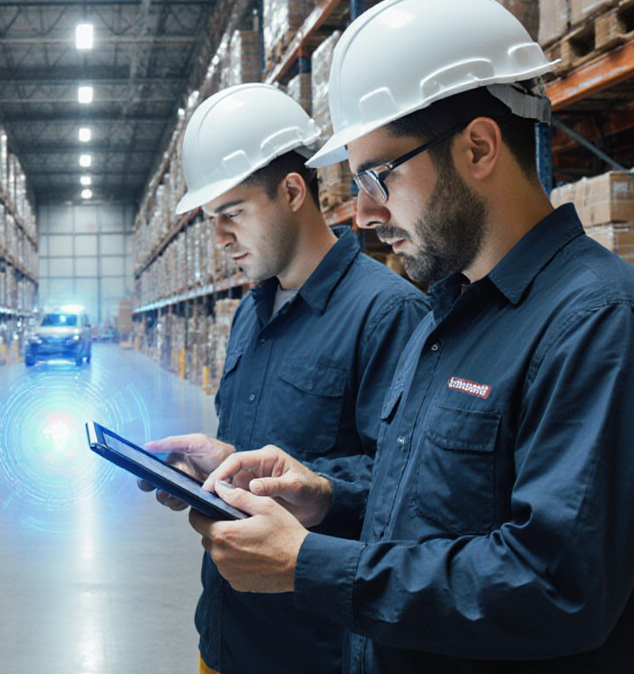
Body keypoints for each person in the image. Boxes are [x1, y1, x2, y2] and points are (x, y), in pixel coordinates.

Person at [189, 0, 634, 673]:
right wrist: (323, 494)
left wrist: (309, 566)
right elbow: (442, 504)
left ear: (479, 147)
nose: (364, 214)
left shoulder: (606, 331)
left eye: (378, 176)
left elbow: (554, 586)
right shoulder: (450, 320)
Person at [138, 83, 429, 674]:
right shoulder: (252, 309)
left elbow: (410, 490)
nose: (219, 238)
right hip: (225, 634)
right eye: (209, 219)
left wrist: (312, 489)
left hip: (311, 648)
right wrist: (218, 469)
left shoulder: (388, 313)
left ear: (293, 190)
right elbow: (267, 453)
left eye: (232, 214)